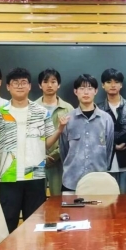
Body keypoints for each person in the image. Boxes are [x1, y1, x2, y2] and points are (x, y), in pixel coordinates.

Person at [0, 67, 66, 233]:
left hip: (35, 176)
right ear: (8, 87)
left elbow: (46, 144)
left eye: (23, 82)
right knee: (8, 224)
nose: (20, 86)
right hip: (8, 176)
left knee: (35, 226)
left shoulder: (41, 112)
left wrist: (59, 130)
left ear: (29, 86)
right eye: (15, 83)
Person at [59, 74, 114, 192]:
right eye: (82, 88)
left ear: (96, 91)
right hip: (71, 180)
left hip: (98, 181)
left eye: (89, 88)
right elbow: (63, 150)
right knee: (69, 205)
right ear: (75, 91)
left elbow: (109, 149)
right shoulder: (67, 119)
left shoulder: (106, 119)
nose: (86, 92)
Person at [98, 68, 126, 194]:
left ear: (121, 85)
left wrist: (110, 139)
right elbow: (98, 135)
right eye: (108, 82)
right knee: (107, 202)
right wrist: (113, 146)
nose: (113, 85)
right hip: (105, 164)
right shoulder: (98, 109)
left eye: (116, 82)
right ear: (103, 85)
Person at [35, 68, 73, 196]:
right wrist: (41, 155)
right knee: (36, 200)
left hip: (59, 161)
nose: (49, 85)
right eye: (45, 82)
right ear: (40, 85)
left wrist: (56, 154)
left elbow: (71, 136)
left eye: (53, 81)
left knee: (57, 199)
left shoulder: (68, 108)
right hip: (36, 161)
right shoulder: (32, 107)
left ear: (59, 84)